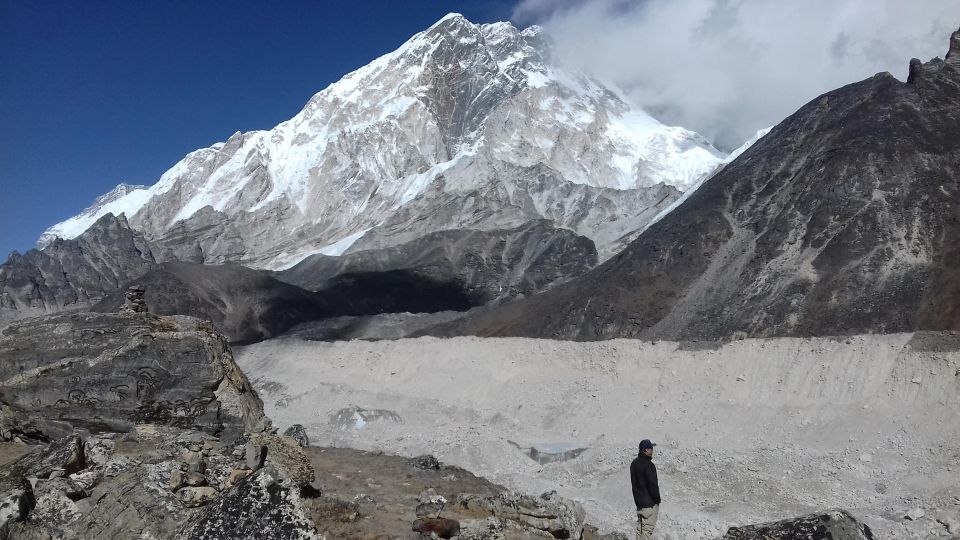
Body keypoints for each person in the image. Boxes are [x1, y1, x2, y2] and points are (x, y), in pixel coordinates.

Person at [630, 439, 660, 540]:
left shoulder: (634, 463)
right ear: (645, 450)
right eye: (650, 448)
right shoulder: (649, 465)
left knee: (640, 529)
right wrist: (657, 500)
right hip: (649, 505)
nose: (652, 450)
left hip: (639, 504)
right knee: (647, 531)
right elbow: (653, 486)